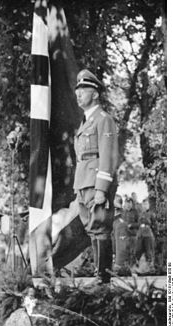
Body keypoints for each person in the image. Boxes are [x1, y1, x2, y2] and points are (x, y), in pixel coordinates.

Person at [73, 69, 119, 283]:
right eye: (78, 90)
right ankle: (99, 275)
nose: (78, 93)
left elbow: (108, 155)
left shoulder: (103, 119)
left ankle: (103, 277)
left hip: (95, 182)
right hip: (83, 182)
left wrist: (101, 188)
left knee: (100, 228)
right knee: (92, 229)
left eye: (84, 89)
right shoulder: (85, 123)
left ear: (95, 94)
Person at [135, 198, 155, 274]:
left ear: (148, 205)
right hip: (140, 234)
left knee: (149, 251)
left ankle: (150, 268)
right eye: (143, 204)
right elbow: (136, 223)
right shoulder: (139, 214)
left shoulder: (151, 214)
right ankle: (139, 268)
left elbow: (154, 225)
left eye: (146, 204)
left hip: (148, 234)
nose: (145, 206)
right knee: (138, 250)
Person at [111, 195, 131, 275]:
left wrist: (117, 265)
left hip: (117, 267)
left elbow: (121, 247)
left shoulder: (120, 224)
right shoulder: (113, 223)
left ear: (116, 209)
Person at [123, 197, 139, 267]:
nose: (128, 205)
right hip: (125, 235)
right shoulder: (123, 213)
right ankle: (126, 268)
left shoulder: (135, 212)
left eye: (129, 203)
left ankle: (133, 267)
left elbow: (139, 223)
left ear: (132, 204)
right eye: (127, 203)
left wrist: (131, 225)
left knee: (133, 252)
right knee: (125, 252)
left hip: (133, 235)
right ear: (125, 204)